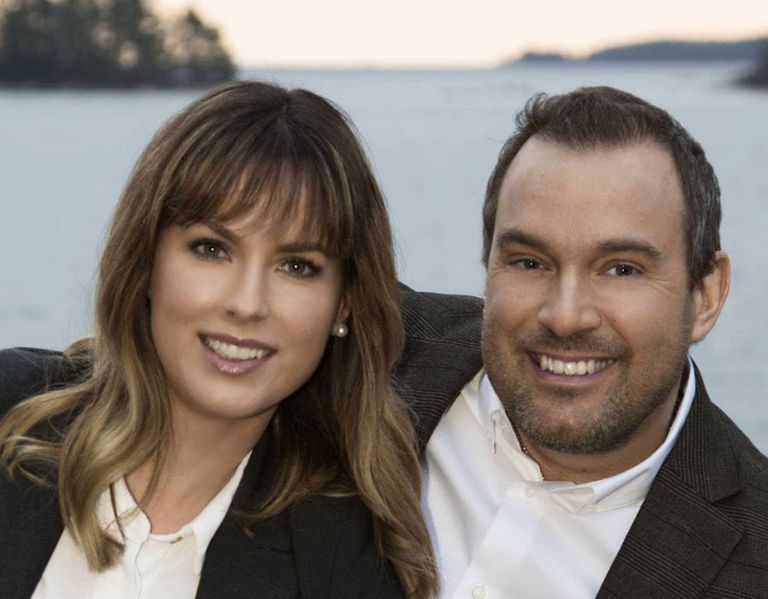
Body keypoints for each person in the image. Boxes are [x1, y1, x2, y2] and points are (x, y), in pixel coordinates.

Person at [0, 81, 438, 599]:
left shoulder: (341, 562)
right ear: (145, 261)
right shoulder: (10, 412)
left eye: (297, 266)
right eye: (211, 249)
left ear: (344, 303)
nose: (247, 304)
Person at [393, 86, 768, 598]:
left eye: (621, 269)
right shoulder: (373, 353)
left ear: (705, 296)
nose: (566, 317)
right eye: (530, 262)